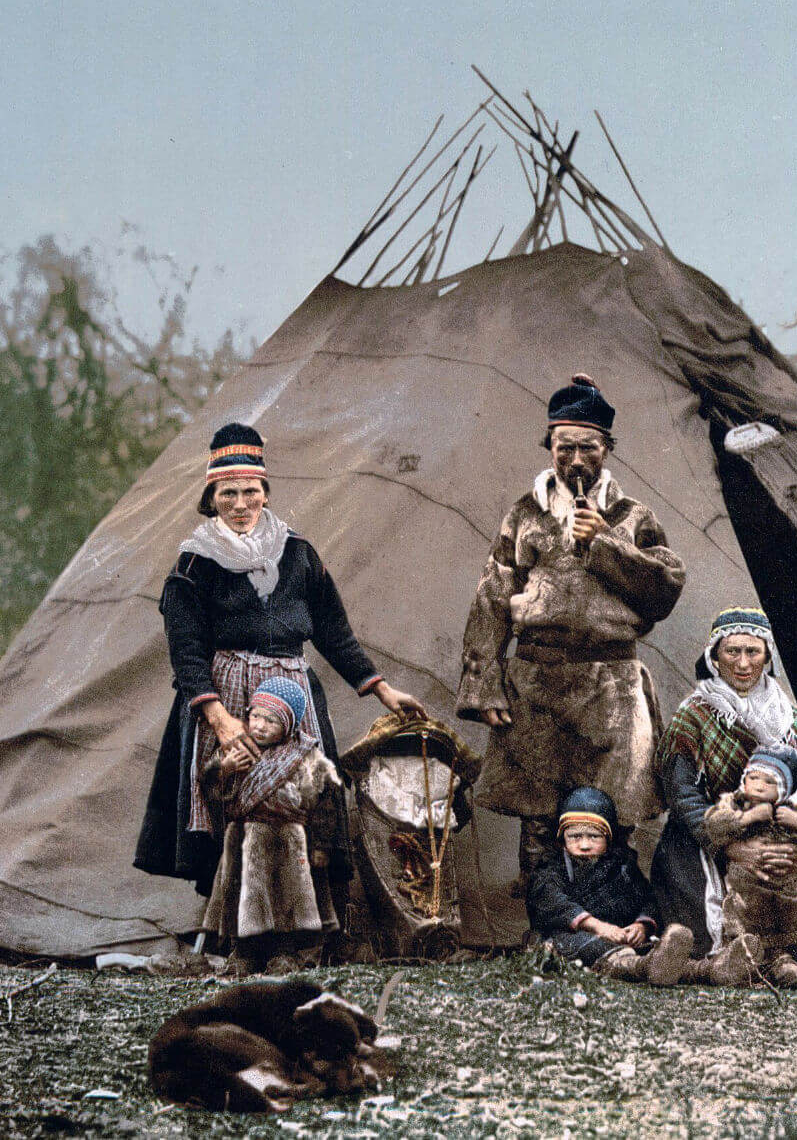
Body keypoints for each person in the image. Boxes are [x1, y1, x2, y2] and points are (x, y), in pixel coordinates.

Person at [135, 423, 426, 927]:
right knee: (233, 802)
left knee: (303, 801)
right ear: (211, 499)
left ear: (266, 493)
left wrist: (380, 689)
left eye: (251, 491)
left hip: (294, 700)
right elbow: (186, 653)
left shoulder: (298, 554)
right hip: (223, 696)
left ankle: (306, 925)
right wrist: (221, 722)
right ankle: (233, 927)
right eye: (228, 493)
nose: (241, 503)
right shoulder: (192, 565)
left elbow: (333, 632)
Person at [456, 374, 686, 890]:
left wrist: (607, 543)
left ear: (607, 449)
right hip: (537, 678)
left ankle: (611, 912)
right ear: (550, 448)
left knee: (612, 809)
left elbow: (664, 591)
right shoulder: (524, 514)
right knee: (539, 811)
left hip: (611, 680)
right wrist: (484, 683)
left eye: (589, 447)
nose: (577, 460)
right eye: (565, 447)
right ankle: (547, 922)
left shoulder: (633, 516)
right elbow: (492, 596)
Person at [651, 607, 797, 963]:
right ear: (715, 656)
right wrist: (732, 847)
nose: (743, 663)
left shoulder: (788, 718)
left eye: (753, 651)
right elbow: (683, 796)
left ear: (767, 656)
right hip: (704, 842)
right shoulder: (693, 715)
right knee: (707, 942)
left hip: (775, 840)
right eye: (732, 651)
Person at [526, 787, 751, 986]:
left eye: (593, 836)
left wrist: (641, 926)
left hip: (620, 937)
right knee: (592, 948)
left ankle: (711, 970)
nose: (584, 844)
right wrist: (598, 927)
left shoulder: (621, 867)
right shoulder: (551, 870)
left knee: (658, 950)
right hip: (573, 938)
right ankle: (643, 967)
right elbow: (555, 903)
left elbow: (647, 899)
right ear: (562, 837)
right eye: (574, 836)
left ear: (609, 837)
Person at [199, 676, 342, 972]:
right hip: (242, 838)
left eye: (272, 721)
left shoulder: (306, 756)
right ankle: (243, 954)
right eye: (255, 717)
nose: (260, 726)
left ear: (289, 726)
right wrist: (223, 770)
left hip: (287, 840)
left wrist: (322, 845)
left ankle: (284, 954)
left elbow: (327, 802)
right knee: (240, 896)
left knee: (287, 900)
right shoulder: (235, 749)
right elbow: (210, 791)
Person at [703, 746, 797, 988]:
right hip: (752, 881)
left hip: (794, 879)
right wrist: (747, 818)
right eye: (753, 778)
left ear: (784, 788)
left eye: (769, 781)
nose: (758, 785)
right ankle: (777, 959)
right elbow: (713, 826)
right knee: (754, 911)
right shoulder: (734, 804)